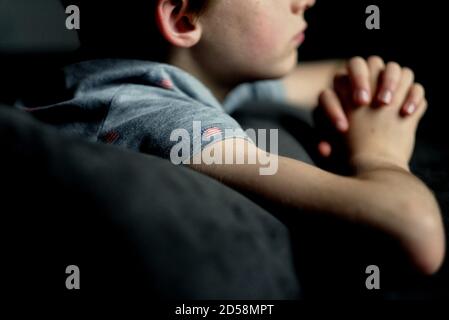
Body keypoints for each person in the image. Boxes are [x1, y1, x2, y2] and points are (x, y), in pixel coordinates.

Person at [21, 0, 445, 274]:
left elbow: (330, 73)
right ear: (182, 19)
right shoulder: (162, 118)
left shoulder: (143, 78)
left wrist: (369, 86)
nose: (305, 1)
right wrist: (380, 154)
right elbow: (416, 232)